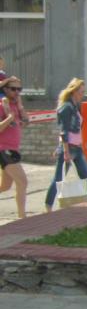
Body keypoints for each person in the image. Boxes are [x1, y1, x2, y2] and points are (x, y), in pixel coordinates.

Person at [45, 78, 87, 211]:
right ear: (73, 91)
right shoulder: (66, 107)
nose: (82, 95)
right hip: (68, 148)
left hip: (77, 148)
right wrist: (65, 151)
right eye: (81, 92)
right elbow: (64, 130)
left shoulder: (75, 106)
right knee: (58, 179)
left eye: (83, 92)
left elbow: (78, 128)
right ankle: (48, 206)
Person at [0, 76, 31, 218]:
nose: (17, 92)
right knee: (22, 181)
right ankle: (22, 217)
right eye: (13, 89)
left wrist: (20, 107)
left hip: (14, 149)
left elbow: (26, 121)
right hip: (3, 149)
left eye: (19, 89)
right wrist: (9, 118)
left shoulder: (15, 106)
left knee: (5, 186)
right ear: (5, 89)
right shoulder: (1, 106)